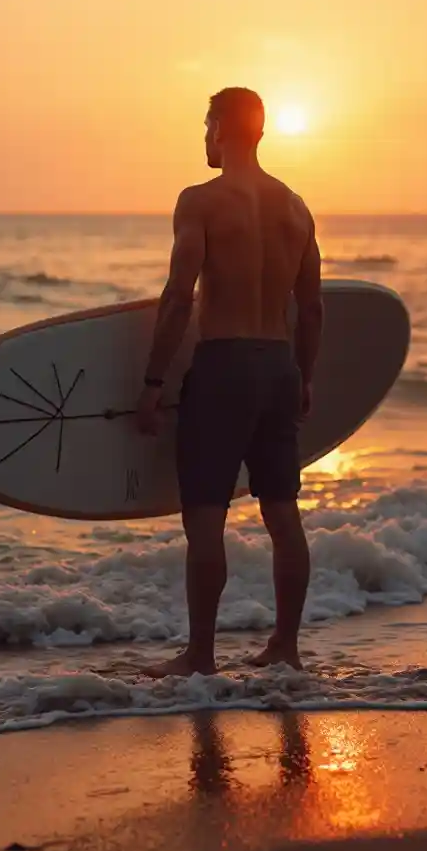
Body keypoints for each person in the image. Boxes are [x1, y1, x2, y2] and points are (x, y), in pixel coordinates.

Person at [136, 87, 323, 677]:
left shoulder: (201, 201)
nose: (205, 137)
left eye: (206, 124)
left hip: (223, 366)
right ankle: (286, 647)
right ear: (260, 131)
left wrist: (151, 381)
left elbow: (176, 298)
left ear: (218, 127)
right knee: (282, 511)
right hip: (278, 366)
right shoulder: (296, 208)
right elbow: (312, 308)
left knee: (206, 514)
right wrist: (304, 377)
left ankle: (200, 656)